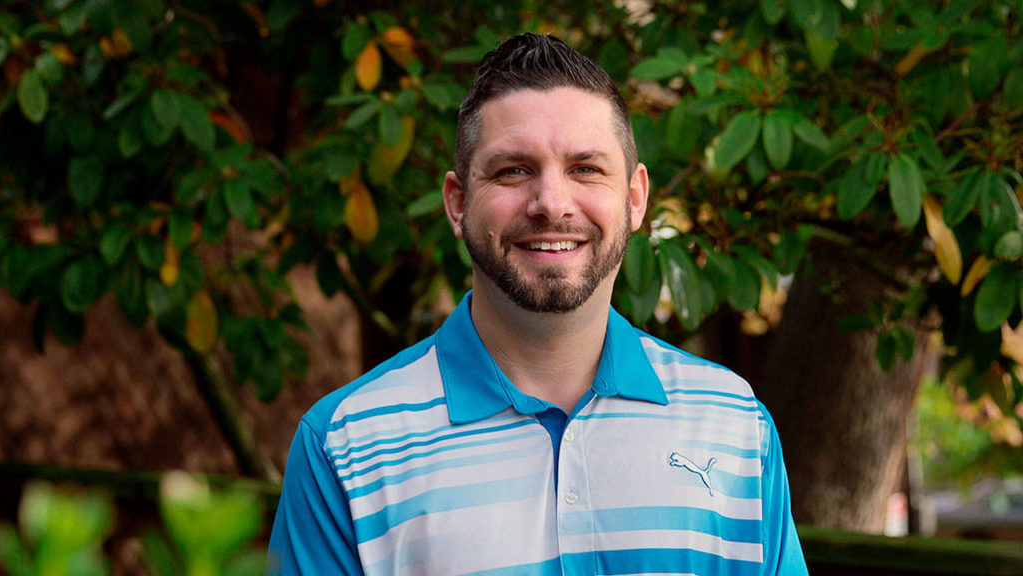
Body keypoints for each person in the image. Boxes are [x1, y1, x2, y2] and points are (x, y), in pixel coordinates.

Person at [267, 32, 808, 575]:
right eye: (513, 171)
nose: (551, 203)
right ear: (457, 204)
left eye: (586, 169)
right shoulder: (345, 447)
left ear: (635, 198)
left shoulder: (735, 425)